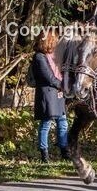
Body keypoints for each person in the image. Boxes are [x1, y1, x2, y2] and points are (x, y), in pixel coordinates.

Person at [30, 29, 70, 162]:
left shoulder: (55, 56)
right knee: (46, 124)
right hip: (47, 94)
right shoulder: (39, 57)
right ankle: (44, 154)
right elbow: (48, 77)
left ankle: (64, 151)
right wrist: (63, 85)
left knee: (63, 122)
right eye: (55, 39)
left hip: (58, 93)